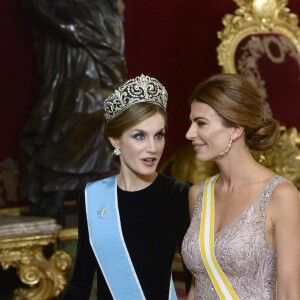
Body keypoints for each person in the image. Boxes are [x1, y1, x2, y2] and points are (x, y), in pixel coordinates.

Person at [63, 74, 191, 299]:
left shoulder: (179, 194)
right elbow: (80, 284)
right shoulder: (92, 196)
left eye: (158, 135)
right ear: (115, 139)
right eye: (139, 136)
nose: (152, 148)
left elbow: (194, 283)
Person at [181, 73, 300, 299]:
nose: (189, 133)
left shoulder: (280, 195)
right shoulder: (198, 194)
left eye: (201, 123)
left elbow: (288, 293)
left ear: (236, 129)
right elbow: (198, 284)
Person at [20, 0, 126, 222]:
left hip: (97, 52)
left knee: (98, 118)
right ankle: (55, 191)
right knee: (69, 119)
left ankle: (88, 192)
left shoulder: (102, 10)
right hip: (71, 64)